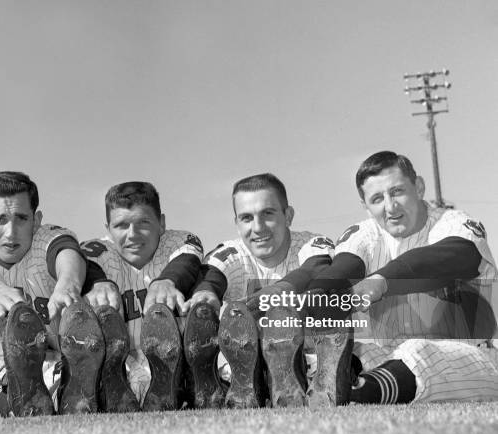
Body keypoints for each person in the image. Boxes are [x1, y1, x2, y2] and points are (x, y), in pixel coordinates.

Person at [300, 151, 498, 407]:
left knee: (418, 353)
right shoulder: (366, 234)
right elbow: (344, 267)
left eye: (397, 192)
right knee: (359, 352)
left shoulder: (453, 222)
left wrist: (380, 280)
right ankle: (338, 379)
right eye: (377, 198)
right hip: (392, 355)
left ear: (419, 187)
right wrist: (317, 294)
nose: (390, 207)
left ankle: (360, 391)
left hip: (477, 358)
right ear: (365, 205)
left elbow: (456, 255)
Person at [0, 171, 116, 418]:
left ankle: (71, 391)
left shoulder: (45, 239)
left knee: (61, 371)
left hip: (43, 364)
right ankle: (20, 400)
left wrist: (68, 284)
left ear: (36, 220)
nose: (11, 231)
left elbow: (65, 250)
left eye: (21, 219)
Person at [184, 173, 334, 408]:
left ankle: (282, 380)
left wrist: (277, 291)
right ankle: (235, 383)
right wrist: (206, 293)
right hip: (246, 363)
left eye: (268, 213)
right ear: (236, 223)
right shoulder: (231, 252)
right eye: (246, 218)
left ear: (288, 215)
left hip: (305, 361)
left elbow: (317, 268)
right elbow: (213, 273)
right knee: (233, 358)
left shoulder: (311, 243)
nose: (258, 227)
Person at [80, 181, 204, 410]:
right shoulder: (98, 251)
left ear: (162, 223)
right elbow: (83, 261)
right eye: (121, 226)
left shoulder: (176, 242)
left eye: (143, 223)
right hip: (122, 364)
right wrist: (97, 282)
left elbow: (188, 259)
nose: (133, 234)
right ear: (107, 228)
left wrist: (168, 281)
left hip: (172, 361)